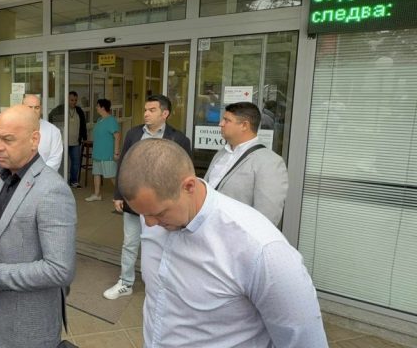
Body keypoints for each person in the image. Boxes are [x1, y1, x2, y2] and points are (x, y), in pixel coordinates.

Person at [116, 139, 327, 347]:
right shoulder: (153, 213)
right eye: (143, 214)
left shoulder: (263, 250)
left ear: (189, 186)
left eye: (159, 213)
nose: (150, 224)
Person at [0, 105, 76, 348]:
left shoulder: (52, 191)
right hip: (3, 318)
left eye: (8, 139)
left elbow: (60, 270)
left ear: (34, 140)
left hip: (31, 325)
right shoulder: (4, 177)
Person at [104, 94, 191, 300]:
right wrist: (118, 194)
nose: (146, 114)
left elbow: (185, 173)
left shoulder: (178, 139)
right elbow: (123, 164)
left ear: (165, 113)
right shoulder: (134, 134)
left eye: (152, 110)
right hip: (134, 200)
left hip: (162, 205)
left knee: (160, 245)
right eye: (145, 110)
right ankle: (125, 282)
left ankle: (160, 285)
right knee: (130, 243)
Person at [204, 102, 288, 226]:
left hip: (233, 235)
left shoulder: (269, 162)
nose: (220, 124)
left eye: (227, 120)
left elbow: (267, 217)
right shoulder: (221, 153)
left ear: (244, 125)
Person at [48, 91, 86, 188]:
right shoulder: (60, 109)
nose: (74, 102)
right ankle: (60, 181)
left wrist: (84, 137)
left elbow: (83, 125)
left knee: (76, 162)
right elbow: (50, 118)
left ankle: (73, 181)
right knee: (61, 162)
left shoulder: (79, 110)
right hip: (63, 142)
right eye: (72, 100)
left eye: (75, 100)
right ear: (67, 100)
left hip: (75, 142)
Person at [85, 98, 120, 202]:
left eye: (97, 106)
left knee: (112, 175)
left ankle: (122, 195)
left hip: (107, 154)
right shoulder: (100, 120)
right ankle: (97, 194)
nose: (96, 107)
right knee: (96, 173)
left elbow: (117, 136)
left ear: (103, 107)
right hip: (98, 153)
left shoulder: (111, 120)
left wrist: (116, 152)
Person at [22, 94, 63, 171]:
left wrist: (39, 175)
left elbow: (55, 159)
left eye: (36, 107)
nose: (33, 111)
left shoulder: (53, 131)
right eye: (30, 107)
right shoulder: (13, 129)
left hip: (44, 176)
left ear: (41, 109)